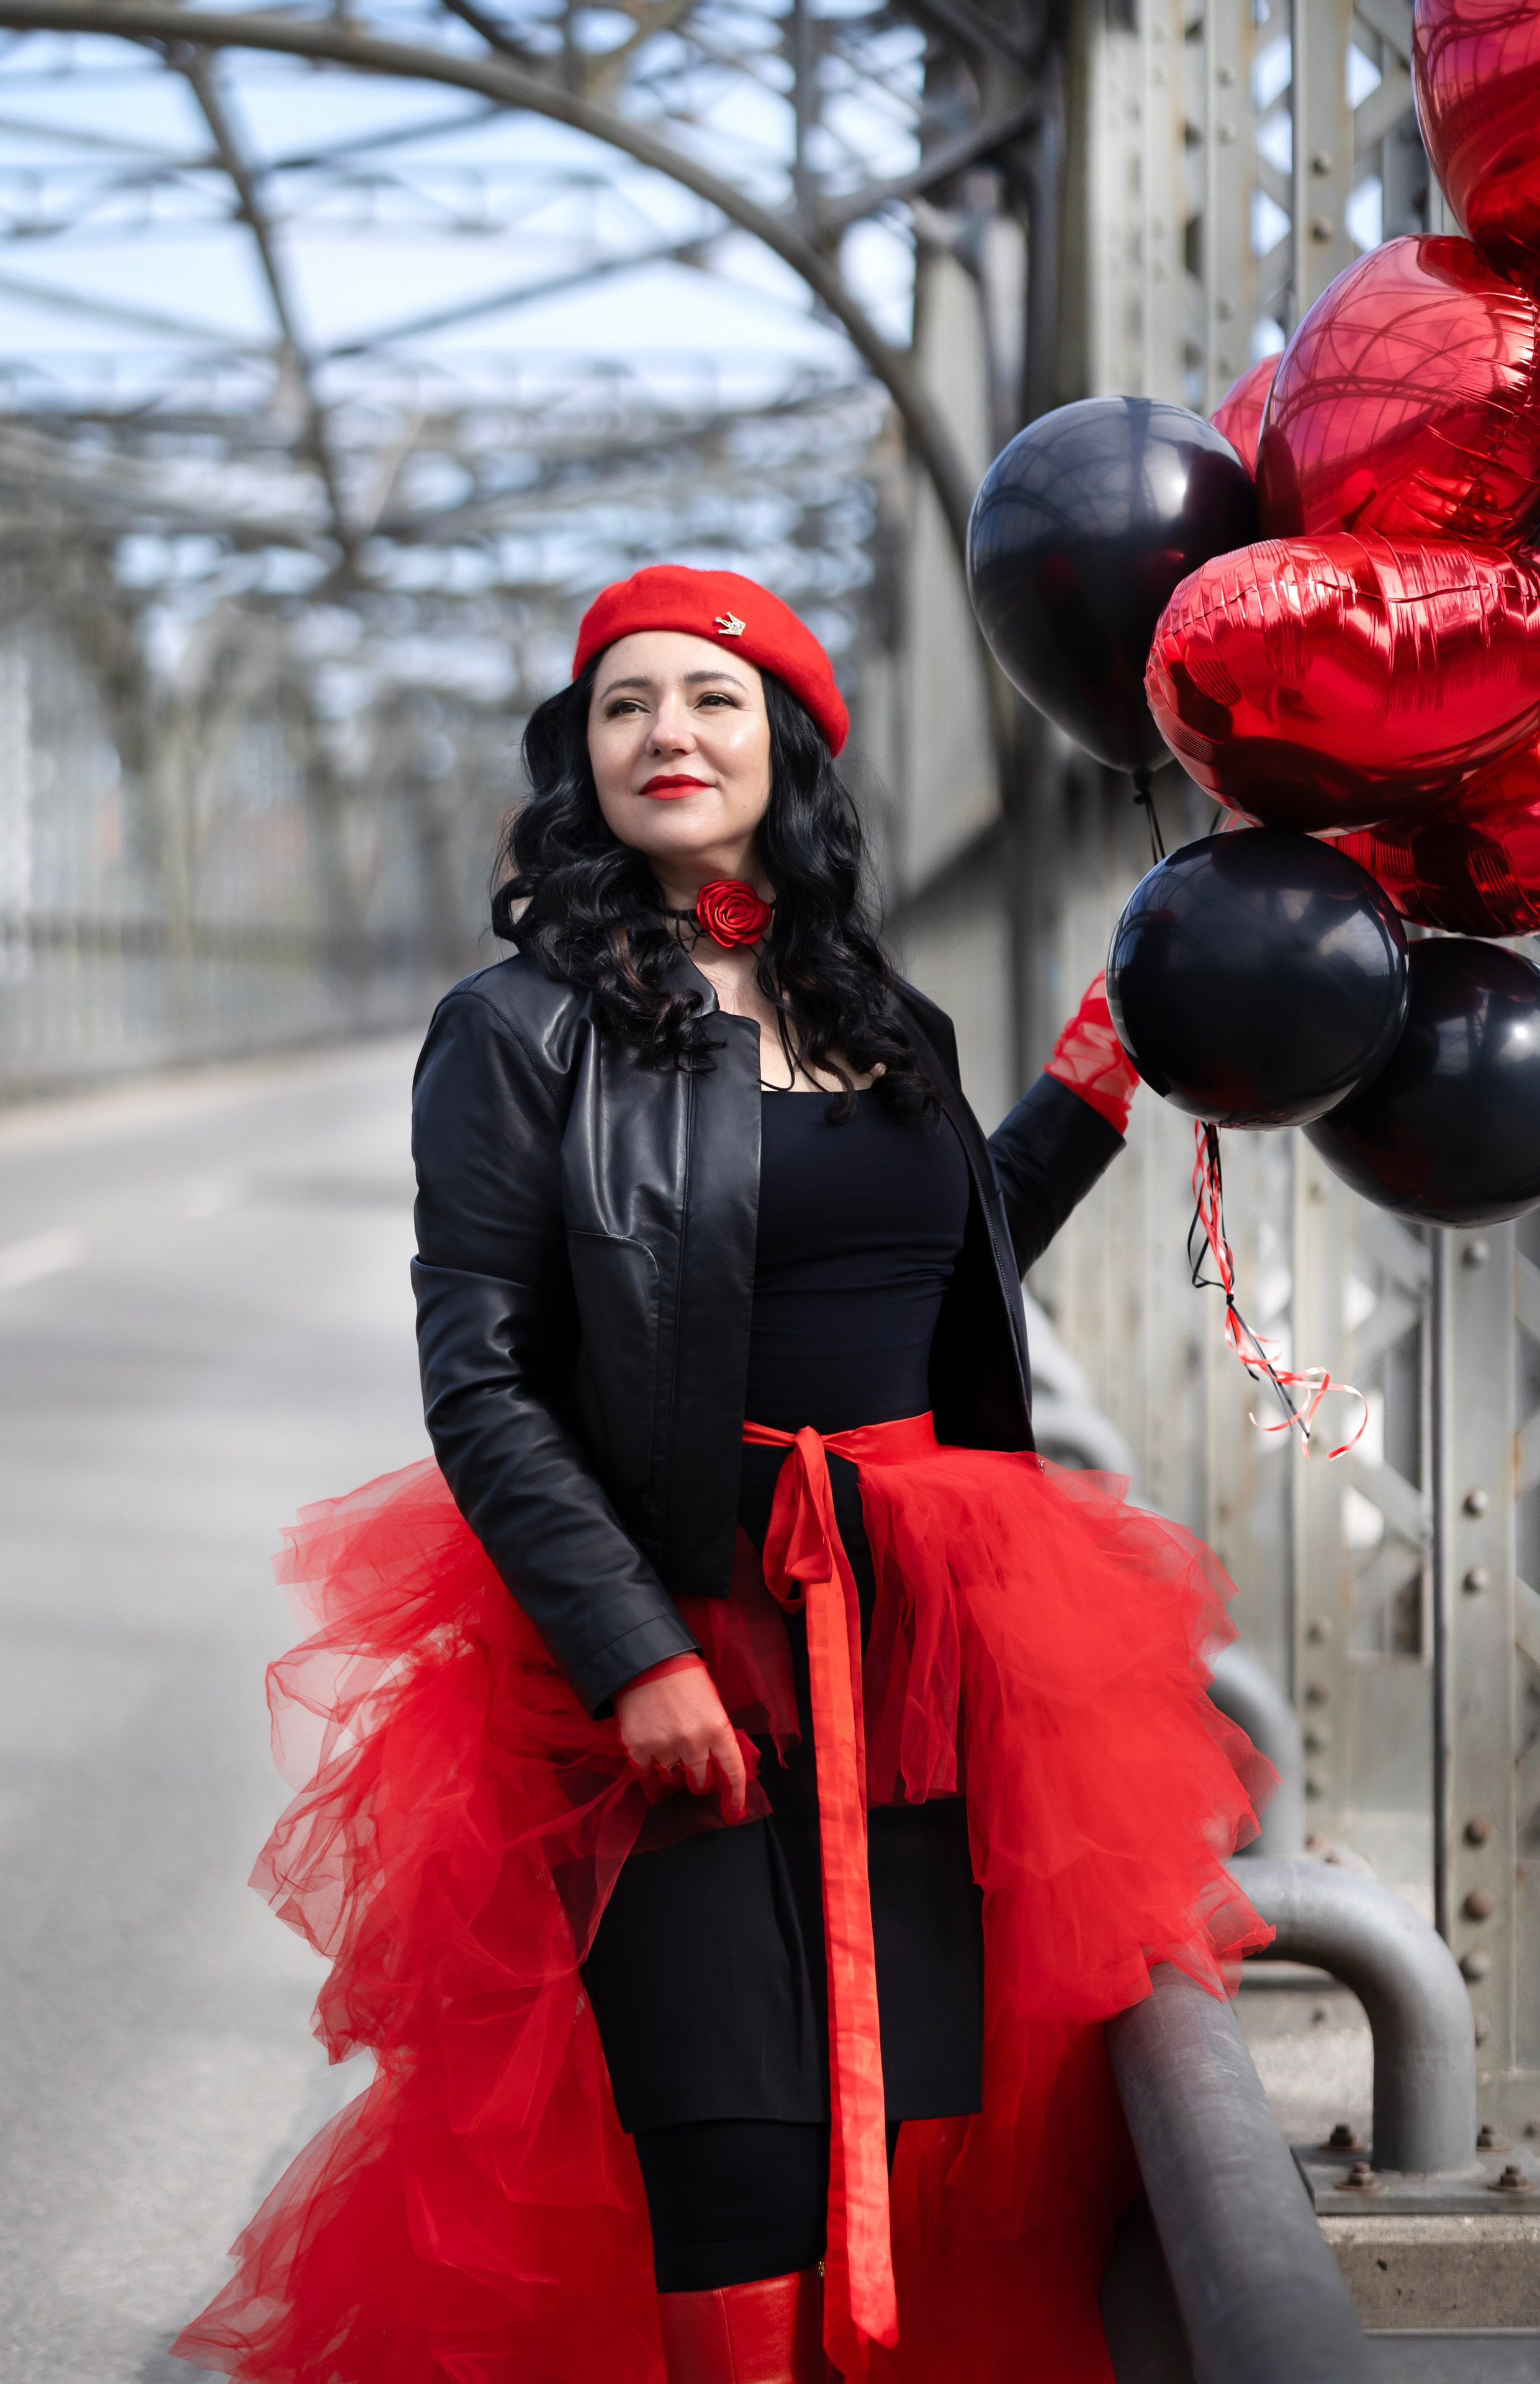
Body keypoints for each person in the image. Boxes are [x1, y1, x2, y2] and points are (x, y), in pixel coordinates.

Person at [174, 566, 1271, 2384]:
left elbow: (935, 1262)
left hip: (924, 1639)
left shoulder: (877, 1012)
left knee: (909, 2120)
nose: (665, 734)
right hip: (686, 1626)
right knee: (731, 2132)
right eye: (622, 706)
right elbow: (487, 1381)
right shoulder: (517, 1032)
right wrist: (635, 1652)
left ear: (791, 749)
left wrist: (1091, 1086)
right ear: (577, 756)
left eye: (710, 698)